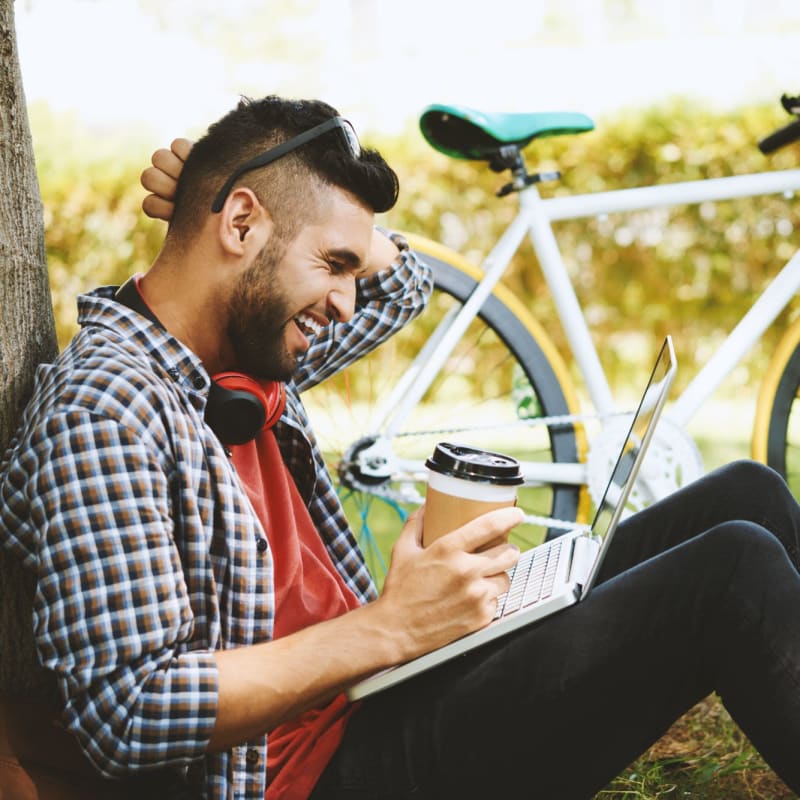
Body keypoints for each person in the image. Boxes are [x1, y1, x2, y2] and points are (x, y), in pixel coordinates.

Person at [2, 94, 800, 800]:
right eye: (334, 264)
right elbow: (131, 712)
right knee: (733, 569)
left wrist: (282, 209)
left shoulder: (240, 353)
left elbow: (402, 281)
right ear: (240, 225)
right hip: (315, 772)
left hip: (377, 688)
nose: (348, 303)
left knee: (746, 492)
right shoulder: (106, 408)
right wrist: (393, 627)